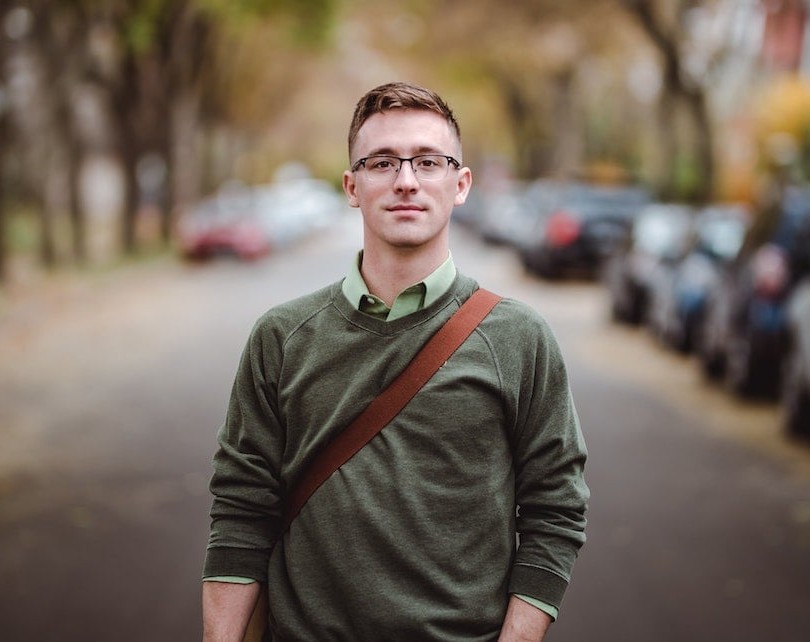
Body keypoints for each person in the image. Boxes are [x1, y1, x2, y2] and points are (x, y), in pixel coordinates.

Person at [202, 81, 589, 642]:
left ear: (460, 185)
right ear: (351, 186)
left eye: (428, 162)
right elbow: (241, 510)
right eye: (382, 162)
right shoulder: (282, 338)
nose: (406, 180)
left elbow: (556, 505)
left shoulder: (518, 338)